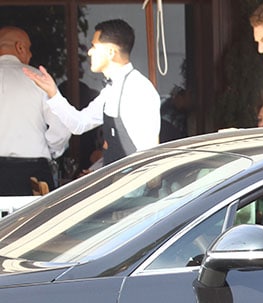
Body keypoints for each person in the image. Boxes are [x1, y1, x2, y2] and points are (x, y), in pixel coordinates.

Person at [23, 19, 160, 168]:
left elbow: (147, 152)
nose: (89, 52)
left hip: (134, 186)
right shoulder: (111, 89)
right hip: (118, 183)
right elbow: (79, 124)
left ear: (110, 52)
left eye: (94, 46)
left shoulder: (137, 88)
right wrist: (53, 93)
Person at [0, 26, 71, 195]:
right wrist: (52, 151)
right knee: (38, 221)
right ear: (20, 47)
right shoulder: (38, 79)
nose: (30, 54)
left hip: (30, 170)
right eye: (29, 49)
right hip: (31, 174)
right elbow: (61, 128)